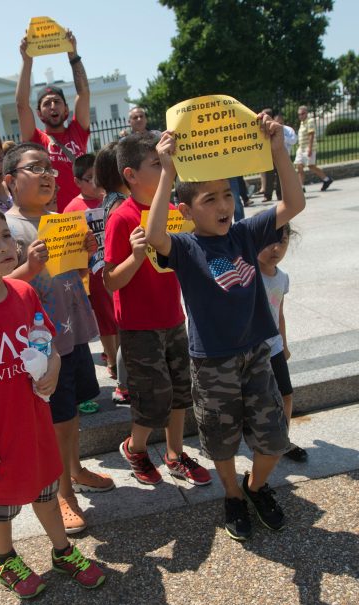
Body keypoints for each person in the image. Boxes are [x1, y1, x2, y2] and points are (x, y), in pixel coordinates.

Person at [145, 113, 305, 540]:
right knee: (220, 441)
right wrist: (167, 171)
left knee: (273, 439)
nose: (222, 206)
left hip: (256, 353)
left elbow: (295, 203)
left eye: (226, 196)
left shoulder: (247, 234)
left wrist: (277, 151)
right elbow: (154, 233)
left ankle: (255, 487)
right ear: (186, 210)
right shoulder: (184, 246)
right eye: (209, 200)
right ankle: (233, 495)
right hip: (212, 361)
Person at [0, 201, 106, 598]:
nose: (4, 246)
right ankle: (5, 557)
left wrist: (54, 369)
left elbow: (47, 344)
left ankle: (62, 551)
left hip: (32, 421)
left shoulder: (24, 292)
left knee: (46, 490)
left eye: (6, 236)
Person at [4, 143, 114, 535]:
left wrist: (85, 250)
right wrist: (28, 265)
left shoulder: (60, 219)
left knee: (71, 414)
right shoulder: (5, 228)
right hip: (40, 343)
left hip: (72, 330)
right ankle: (63, 493)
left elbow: (73, 273)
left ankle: (75, 469)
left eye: (49, 167)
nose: (48, 174)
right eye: (35, 168)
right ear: (10, 181)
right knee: (57, 418)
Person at [103, 133, 212, 488]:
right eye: (157, 163)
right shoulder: (121, 218)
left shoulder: (173, 212)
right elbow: (110, 282)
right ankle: (135, 448)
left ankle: (174, 453)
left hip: (173, 319)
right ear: (131, 174)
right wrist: (135, 257)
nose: (167, 167)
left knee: (181, 391)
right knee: (152, 400)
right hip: (139, 327)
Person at [16, 31, 90, 212]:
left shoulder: (77, 130)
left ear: (66, 109)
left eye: (57, 101)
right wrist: (27, 62)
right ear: (39, 114)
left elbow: (84, 93)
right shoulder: (35, 140)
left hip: (85, 214)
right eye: (46, 103)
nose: (52, 106)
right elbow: (21, 104)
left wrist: (73, 54)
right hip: (54, 219)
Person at [64, 154, 118, 385]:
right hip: (93, 272)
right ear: (77, 182)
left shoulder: (112, 200)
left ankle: (121, 355)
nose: (96, 183)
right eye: (89, 178)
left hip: (116, 264)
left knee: (120, 313)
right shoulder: (72, 209)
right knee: (106, 318)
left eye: (98, 177)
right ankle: (113, 361)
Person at [257, 224, 306, 462]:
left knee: (286, 395)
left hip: (274, 347)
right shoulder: (249, 275)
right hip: (251, 351)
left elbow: (280, 314)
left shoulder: (282, 278)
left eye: (282, 241)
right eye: (268, 241)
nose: (275, 248)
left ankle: (282, 440)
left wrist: (284, 345)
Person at [93, 142, 130, 402]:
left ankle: (122, 381)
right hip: (126, 275)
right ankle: (124, 385)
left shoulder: (111, 200)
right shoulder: (120, 204)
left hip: (122, 273)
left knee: (124, 335)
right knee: (128, 338)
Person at [294, 105, 332, 192]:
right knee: (299, 166)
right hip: (301, 148)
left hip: (308, 148)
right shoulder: (302, 123)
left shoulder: (310, 121)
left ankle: (326, 179)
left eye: (302, 114)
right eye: (299, 114)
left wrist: (310, 149)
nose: (300, 116)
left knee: (311, 166)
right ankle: (301, 186)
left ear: (306, 113)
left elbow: (311, 135)